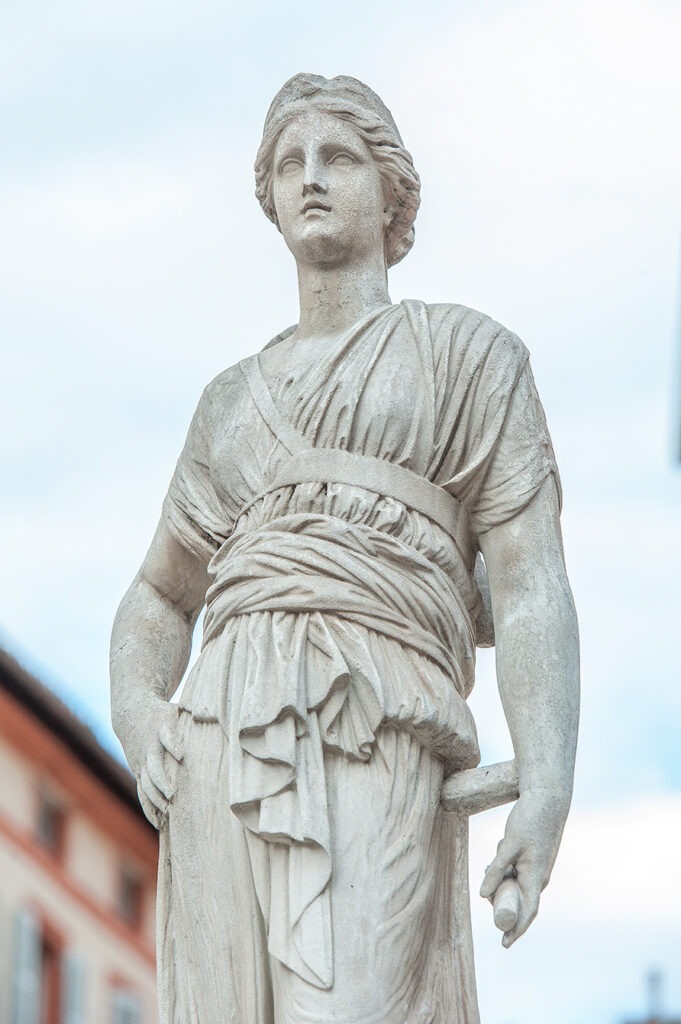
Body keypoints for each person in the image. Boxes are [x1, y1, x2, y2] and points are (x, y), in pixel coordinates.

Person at [110, 73, 579, 1024]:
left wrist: (548, 777)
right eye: (289, 163)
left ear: (391, 190)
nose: (310, 178)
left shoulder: (468, 357)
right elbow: (160, 595)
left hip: (373, 707)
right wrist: (135, 709)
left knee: (350, 1006)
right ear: (270, 198)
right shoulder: (229, 405)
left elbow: (529, 582)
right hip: (218, 730)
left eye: (338, 157)